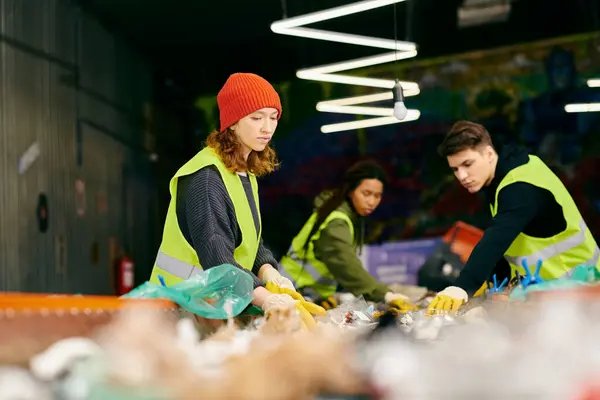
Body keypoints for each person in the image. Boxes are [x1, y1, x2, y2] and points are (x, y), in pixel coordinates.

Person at [149, 72, 324, 326]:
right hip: (180, 308)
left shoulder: (243, 172)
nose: (267, 127)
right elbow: (216, 255)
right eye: (256, 118)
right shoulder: (206, 177)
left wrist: (269, 271)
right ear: (232, 122)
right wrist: (265, 298)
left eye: (273, 117)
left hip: (213, 305)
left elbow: (248, 242)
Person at [428, 120, 600, 313]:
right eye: (455, 169)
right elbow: (510, 243)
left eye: (467, 164)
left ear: (489, 154)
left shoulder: (520, 188)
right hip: (552, 294)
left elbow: (495, 240)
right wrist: (493, 286)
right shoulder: (502, 179)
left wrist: (461, 287)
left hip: (579, 291)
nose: (462, 176)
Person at [280, 160, 416, 311]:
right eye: (366, 194)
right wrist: (386, 295)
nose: (372, 202)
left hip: (304, 295)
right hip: (290, 294)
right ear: (351, 190)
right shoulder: (337, 222)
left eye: (377, 196)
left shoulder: (345, 215)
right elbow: (346, 265)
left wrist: (321, 297)